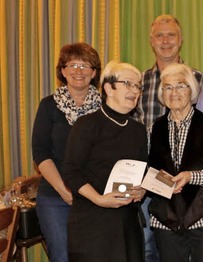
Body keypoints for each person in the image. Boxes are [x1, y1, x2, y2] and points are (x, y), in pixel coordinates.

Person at [134, 15, 203, 261]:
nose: (165, 41)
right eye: (160, 35)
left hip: (195, 193)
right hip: (153, 188)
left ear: (180, 41)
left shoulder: (201, 81)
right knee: (150, 250)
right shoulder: (139, 83)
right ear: (151, 41)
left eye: (171, 35)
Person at [146, 63, 203, 262]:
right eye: (167, 87)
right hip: (165, 220)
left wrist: (191, 176)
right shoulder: (154, 128)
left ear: (192, 91)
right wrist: (162, 181)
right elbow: (148, 170)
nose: (173, 92)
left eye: (180, 86)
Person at [63, 60, 147, 261]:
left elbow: (143, 169)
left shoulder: (138, 130)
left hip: (128, 223)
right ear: (109, 88)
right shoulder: (87, 125)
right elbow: (71, 171)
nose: (134, 90)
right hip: (93, 222)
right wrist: (99, 199)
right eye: (128, 83)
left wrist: (142, 189)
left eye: (137, 86)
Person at [32, 42, 102, 262]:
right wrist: (63, 190)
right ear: (62, 71)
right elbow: (41, 153)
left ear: (94, 72)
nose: (78, 71)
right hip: (56, 197)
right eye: (72, 65)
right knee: (62, 256)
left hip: (94, 197)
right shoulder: (48, 106)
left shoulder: (106, 107)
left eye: (84, 65)